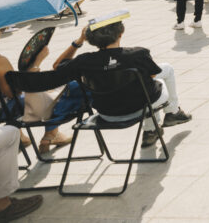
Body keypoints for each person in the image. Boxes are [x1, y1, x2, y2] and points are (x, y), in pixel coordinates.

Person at [49, 18, 191, 149]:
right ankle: (171, 113)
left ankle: (151, 130)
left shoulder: (84, 61)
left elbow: (57, 66)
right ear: (120, 34)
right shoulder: (138, 54)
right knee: (156, 78)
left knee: (144, 85)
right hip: (138, 108)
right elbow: (152, 75)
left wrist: (78, 41)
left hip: (107, 113)